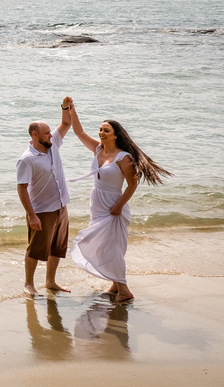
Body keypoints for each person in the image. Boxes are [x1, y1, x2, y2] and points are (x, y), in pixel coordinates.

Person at [64, 100, 171, 302]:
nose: (101, 133)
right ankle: (114, 284)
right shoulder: (98, 150)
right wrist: (71, 110)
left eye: (106, 130)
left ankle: (124, 290)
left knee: (112, 247)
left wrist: (119, 206)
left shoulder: (124, 158)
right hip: (97, 204)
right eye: (100, 130)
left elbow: (132, 185)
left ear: (115, 134)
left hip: (114, 205)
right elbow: (78, 132)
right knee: (104, 245)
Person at [15, 98, 75, 296]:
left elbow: (67, 123)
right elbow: (22, 188)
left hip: (61, 207)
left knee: (57, 248)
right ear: (35, 135)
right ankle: (29, 284)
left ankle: (50, 282)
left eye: (50, 132)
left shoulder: (53, 144)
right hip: (42, 210)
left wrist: (66, 108)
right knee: (35, 249)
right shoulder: (27, 159)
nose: (51, 135)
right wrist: (31, 215)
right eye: (47, 132)